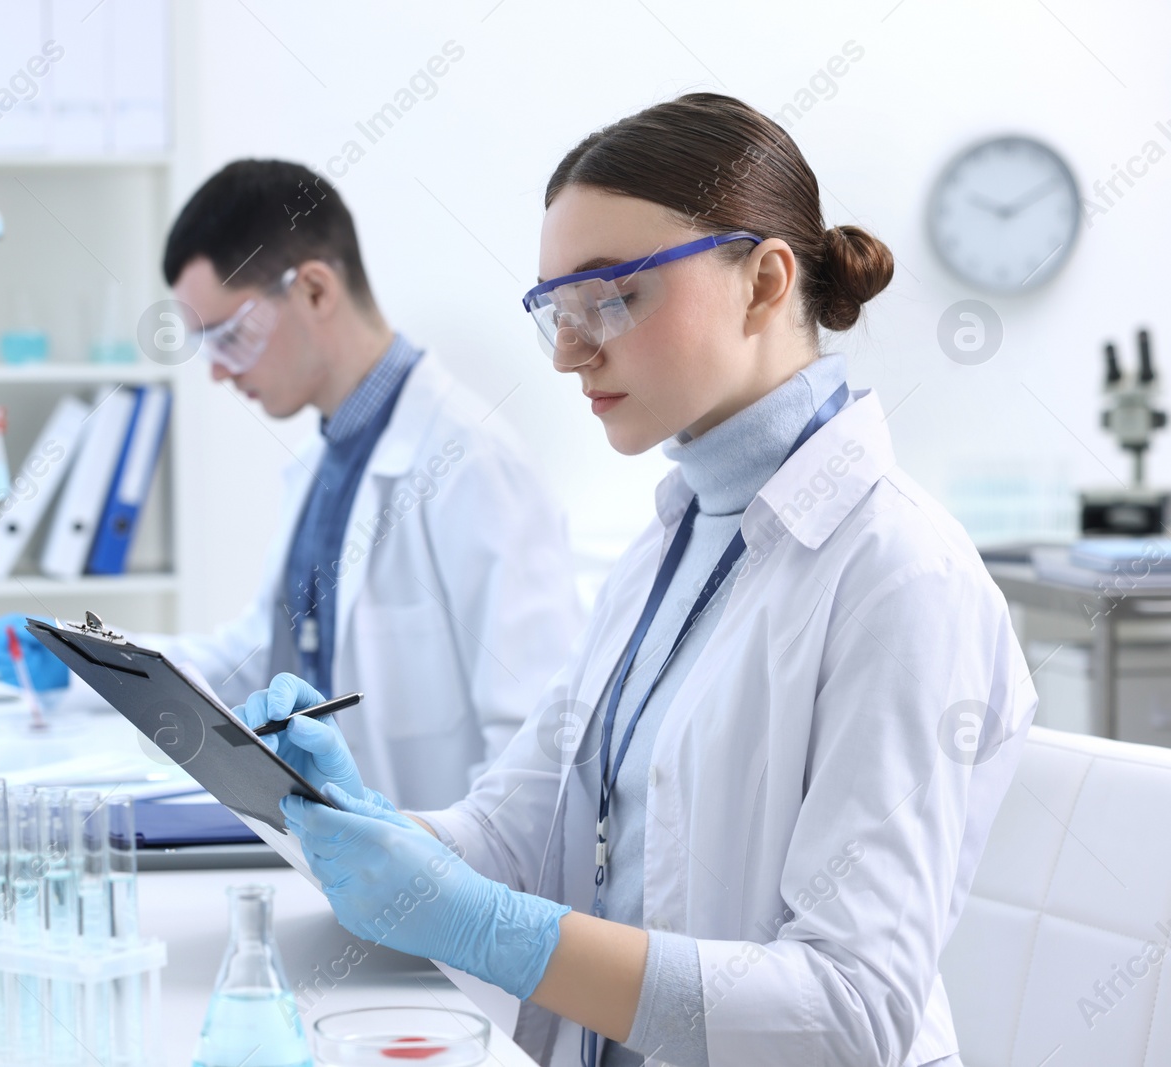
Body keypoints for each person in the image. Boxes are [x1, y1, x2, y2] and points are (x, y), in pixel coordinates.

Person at [240, 95, 1035, 1066]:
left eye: (608, 295)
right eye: (556, 312)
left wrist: (494, 928)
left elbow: (846, 1013)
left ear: (763, 282)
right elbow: (509, 834)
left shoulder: (900, 575)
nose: (572, 350)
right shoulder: (666, 544)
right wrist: (357, 820)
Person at [121, 158, 582, 810]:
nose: (219, 373)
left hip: (438, 886)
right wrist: (111, 659)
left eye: (229, 336)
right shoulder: (325, 457)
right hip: (341, 863)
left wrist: (445, 877)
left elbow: (536, 744)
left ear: (313, 290)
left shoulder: (472, 464)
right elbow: (268, 654)